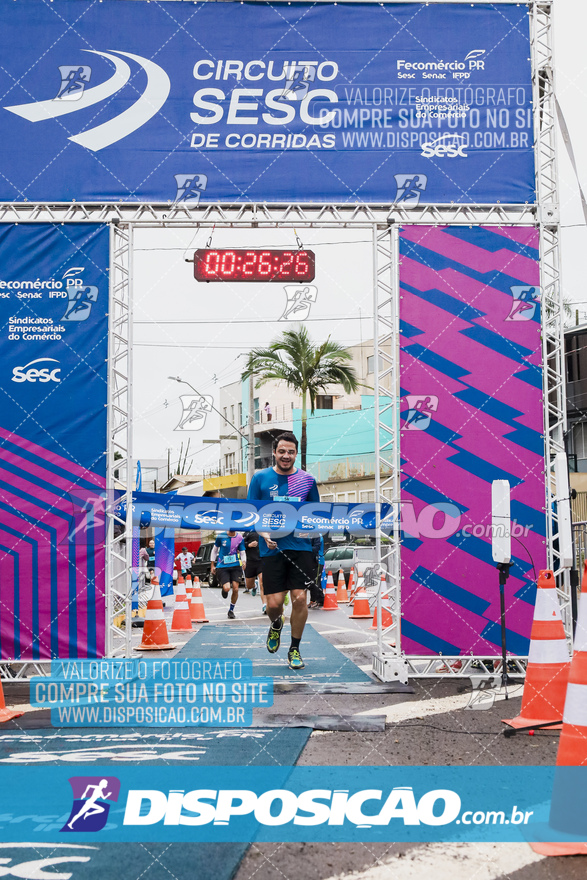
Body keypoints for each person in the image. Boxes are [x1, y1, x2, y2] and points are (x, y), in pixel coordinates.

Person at [247, 431, 320, 670]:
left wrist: (311, 539)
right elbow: (253, 514)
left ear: (296, 454)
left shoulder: (307, 480)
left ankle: (294, 649)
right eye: (282, 451)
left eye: (290, 452)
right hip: (272, 550)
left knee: (300, 599)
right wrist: (265, 535)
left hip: (301, 549)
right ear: (274, 453)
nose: (286, 456)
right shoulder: (260, 479)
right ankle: (276, 624)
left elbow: (315, 515)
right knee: (275, 604)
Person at [210, 529, 246, 619]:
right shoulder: (221, 536)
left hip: (236, 565)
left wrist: (244, 561)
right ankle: (224, 589)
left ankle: (231, 610)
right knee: (227, 588)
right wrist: (212, 565)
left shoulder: (240, 537)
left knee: (236, 589)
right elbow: (214, 550)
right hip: (222, 566)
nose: (231, 532)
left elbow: (242, 552)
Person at [243, 529, 265, 607]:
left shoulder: (264, 531)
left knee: (262, 583)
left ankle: (264, 605)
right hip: (250, 561)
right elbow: (241, 545)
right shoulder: (248, 532)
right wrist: (249, 545)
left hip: (261, 560)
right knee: (249, 585)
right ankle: (254, 586)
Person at [308, 535, 325, 608]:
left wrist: (306, 548)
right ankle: (321, 599)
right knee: (315, 581)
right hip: (313, 561)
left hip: (318, 560)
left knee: (316, 581)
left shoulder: (317, 536)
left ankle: (314, 600)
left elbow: (316, 548)